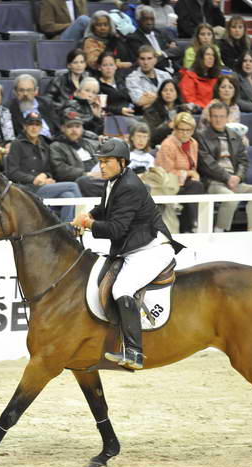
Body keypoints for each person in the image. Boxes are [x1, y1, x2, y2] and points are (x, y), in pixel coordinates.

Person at [71, 137, 182, 370]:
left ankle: (134, 352)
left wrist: (89, 224)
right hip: (134, 247)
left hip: (151, 248)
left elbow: (116, 229)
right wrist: (87, 217)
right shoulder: (113, 181)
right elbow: (103, 210)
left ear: (122, 162)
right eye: (100, 161)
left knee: (122, 288)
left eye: (107, 161)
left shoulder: (129, 186)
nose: (101, 166)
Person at [5, 111, 82, 223]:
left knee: (68, 196)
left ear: (41, 127)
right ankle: (81, 223)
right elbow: (12, 172)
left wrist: (46, 176)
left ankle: (66, 231)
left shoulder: (44, 144)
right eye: (31, 124)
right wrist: (33, 179)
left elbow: (48, 169)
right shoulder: (17, 144)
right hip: (26, 189)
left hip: (42, 187)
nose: (34, 128)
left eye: (37, 124)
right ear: (25, 126)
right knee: (72, 186)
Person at [197, 101, 252, 232]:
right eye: (215, 116)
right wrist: (227, 178)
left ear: (227, 117)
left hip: (234, 181)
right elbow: (207, 164)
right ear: (210, 117)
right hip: (213, 181)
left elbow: (243, 161)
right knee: (231, 198)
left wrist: (238, 177)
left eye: (221, 116)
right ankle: (219, 231)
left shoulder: (234, 136)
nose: (218, 120)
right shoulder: (202, 136)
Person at [155, 112, 204, 233]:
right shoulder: (168, 144)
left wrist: (192, 174)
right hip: (168, 184)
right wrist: (188, 174)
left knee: (197, 186)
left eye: (189, 130)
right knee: (195, 187)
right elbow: (166, 172)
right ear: (175, 129)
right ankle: (192, 225)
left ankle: (191, 226)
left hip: (185, 183)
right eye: (182, 129)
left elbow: (193, 166)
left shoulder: (193, 143)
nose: (185, 133)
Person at [50, 109, 105, 197]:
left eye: (77, 126)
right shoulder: (57, 146)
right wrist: (87, 174)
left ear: (82, 128)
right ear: (63, 128)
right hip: (80, 181)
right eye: (70, 126)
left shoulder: (88, 143)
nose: (74, 130)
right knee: (84, 181)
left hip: (97, 178)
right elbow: (60, 170)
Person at [127, 5, 181, 73]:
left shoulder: (160, 32)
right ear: (138, 20)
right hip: (155, 72)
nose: (149, 22)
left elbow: (178, 50)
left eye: (151, 19)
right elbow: (149, 60)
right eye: (145, 19)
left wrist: (163, 53)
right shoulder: (133, 38)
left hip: (174, 69)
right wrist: (167, 52)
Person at [9, 74, 60, 139]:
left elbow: (58, 128)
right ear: (15, 92)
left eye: (29, 90)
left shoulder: (46, 103)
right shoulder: (9, 109)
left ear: (36, 91)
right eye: (21, 90)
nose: (25, 94)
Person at [125, 45, 171, 112]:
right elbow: (140, 101)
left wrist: (152, 97)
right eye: (142, 59)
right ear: (138, 60)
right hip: (145, 117)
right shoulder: (132, 79)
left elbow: (174, 97)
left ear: (155, 60)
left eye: (149, 58)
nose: (145, 62)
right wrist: (165, 97)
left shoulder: (165, 75)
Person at [143, 78, 186, 147]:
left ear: (177, 94)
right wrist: (168, 126)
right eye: (165, 90)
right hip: (158, 146)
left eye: (171, 90)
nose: (168, 93)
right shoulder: (151, 111)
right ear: (160, 93)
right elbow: (151, 136)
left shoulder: (183, 110)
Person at [178, 44, 220, 110]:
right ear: (200, 58)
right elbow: (190, 101)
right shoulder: (189, 77)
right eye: (207, 54)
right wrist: (209, 108)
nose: (211, 57)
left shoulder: (216, 76)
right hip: (197, 113)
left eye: (213, 55)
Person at [97, 51, 134, 117]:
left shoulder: (121, 80)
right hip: (113, 116)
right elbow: (102, 107)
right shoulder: (97, 85)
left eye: (111, 65)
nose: (108, 68)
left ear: (116, 66)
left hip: (131, 112)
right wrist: (119, 110)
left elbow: (130, 98)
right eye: (105, 65)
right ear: (99, 67)